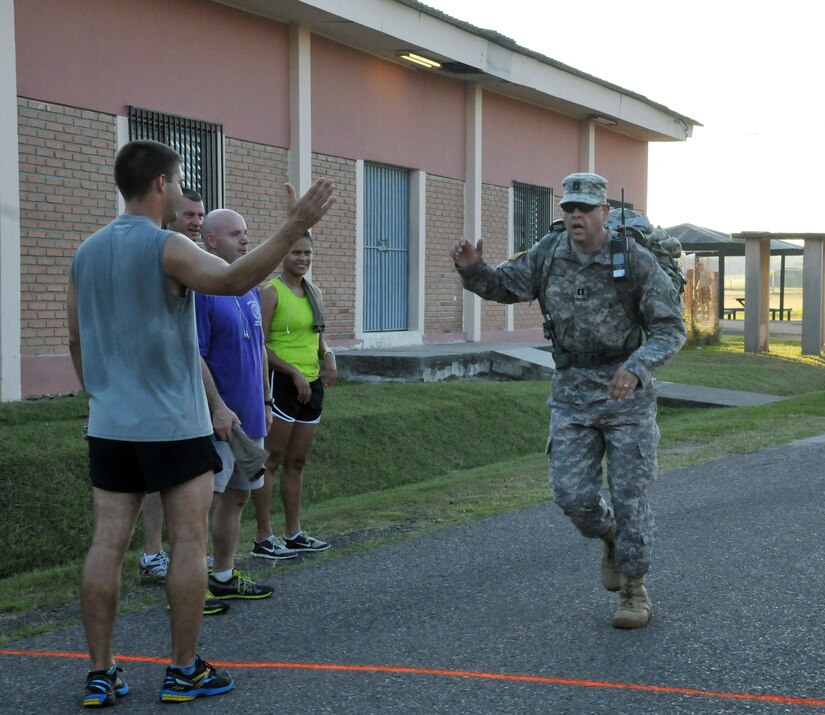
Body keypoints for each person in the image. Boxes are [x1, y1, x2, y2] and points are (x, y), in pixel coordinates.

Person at [67, 139, 334, 706]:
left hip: (111, 425)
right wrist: (293, 228)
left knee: (106, 546)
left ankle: (100, 672)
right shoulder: (167, 247)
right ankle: (183, 670)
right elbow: (236, 279)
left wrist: (102, 392)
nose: (183, 192)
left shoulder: (85, 253)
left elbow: (75, 340)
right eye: (180, 180)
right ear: (161, 184)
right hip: (172, 424)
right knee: (189, 544)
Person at [451, 173, 685, 629]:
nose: (575, 216)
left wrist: (636, 368)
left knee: (630, 495)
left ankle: (635, 589)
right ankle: (610, 536)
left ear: (605, 213)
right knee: (572, 496)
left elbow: (670, 328)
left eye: (585, 209)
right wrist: (473, 268)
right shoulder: (549, 253)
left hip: (626, 399)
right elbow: (505, 287)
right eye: (569, 209)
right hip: (572, 393)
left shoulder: (633, 260)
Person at [196, 208, 281, 601]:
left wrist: (265, 399)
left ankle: (223, 576)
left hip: (251, 414)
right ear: (211, 241)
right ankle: (191, 589)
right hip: (217, 420)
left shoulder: (245, 287)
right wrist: (216, 407)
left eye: (246, 233)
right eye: (235, 234)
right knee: (200, 507)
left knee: (239, 496)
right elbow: (193, 356)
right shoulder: (201, 290)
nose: (246, 240)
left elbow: (260, 348)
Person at [250, 231, 337, 558]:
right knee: (270, 460)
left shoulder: (313, 292)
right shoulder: (271, 292)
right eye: (297, 253)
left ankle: (293, 532)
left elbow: (316, 339)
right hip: (282, 383)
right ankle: (264, 536)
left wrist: (328, 355)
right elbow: (259, 346)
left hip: (310, 386)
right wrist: (293, 372)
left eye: (307, 254)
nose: (303, 259)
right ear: (284, 254)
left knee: (296, 461)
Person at [138, 188, 206, 585]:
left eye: (200, 215)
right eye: (189, 215)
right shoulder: (167, 255)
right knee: (153, 481)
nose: (196, 221)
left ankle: (180, 555)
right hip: (161, 392)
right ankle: (154, 555)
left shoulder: (194, 261)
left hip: (184, 392)